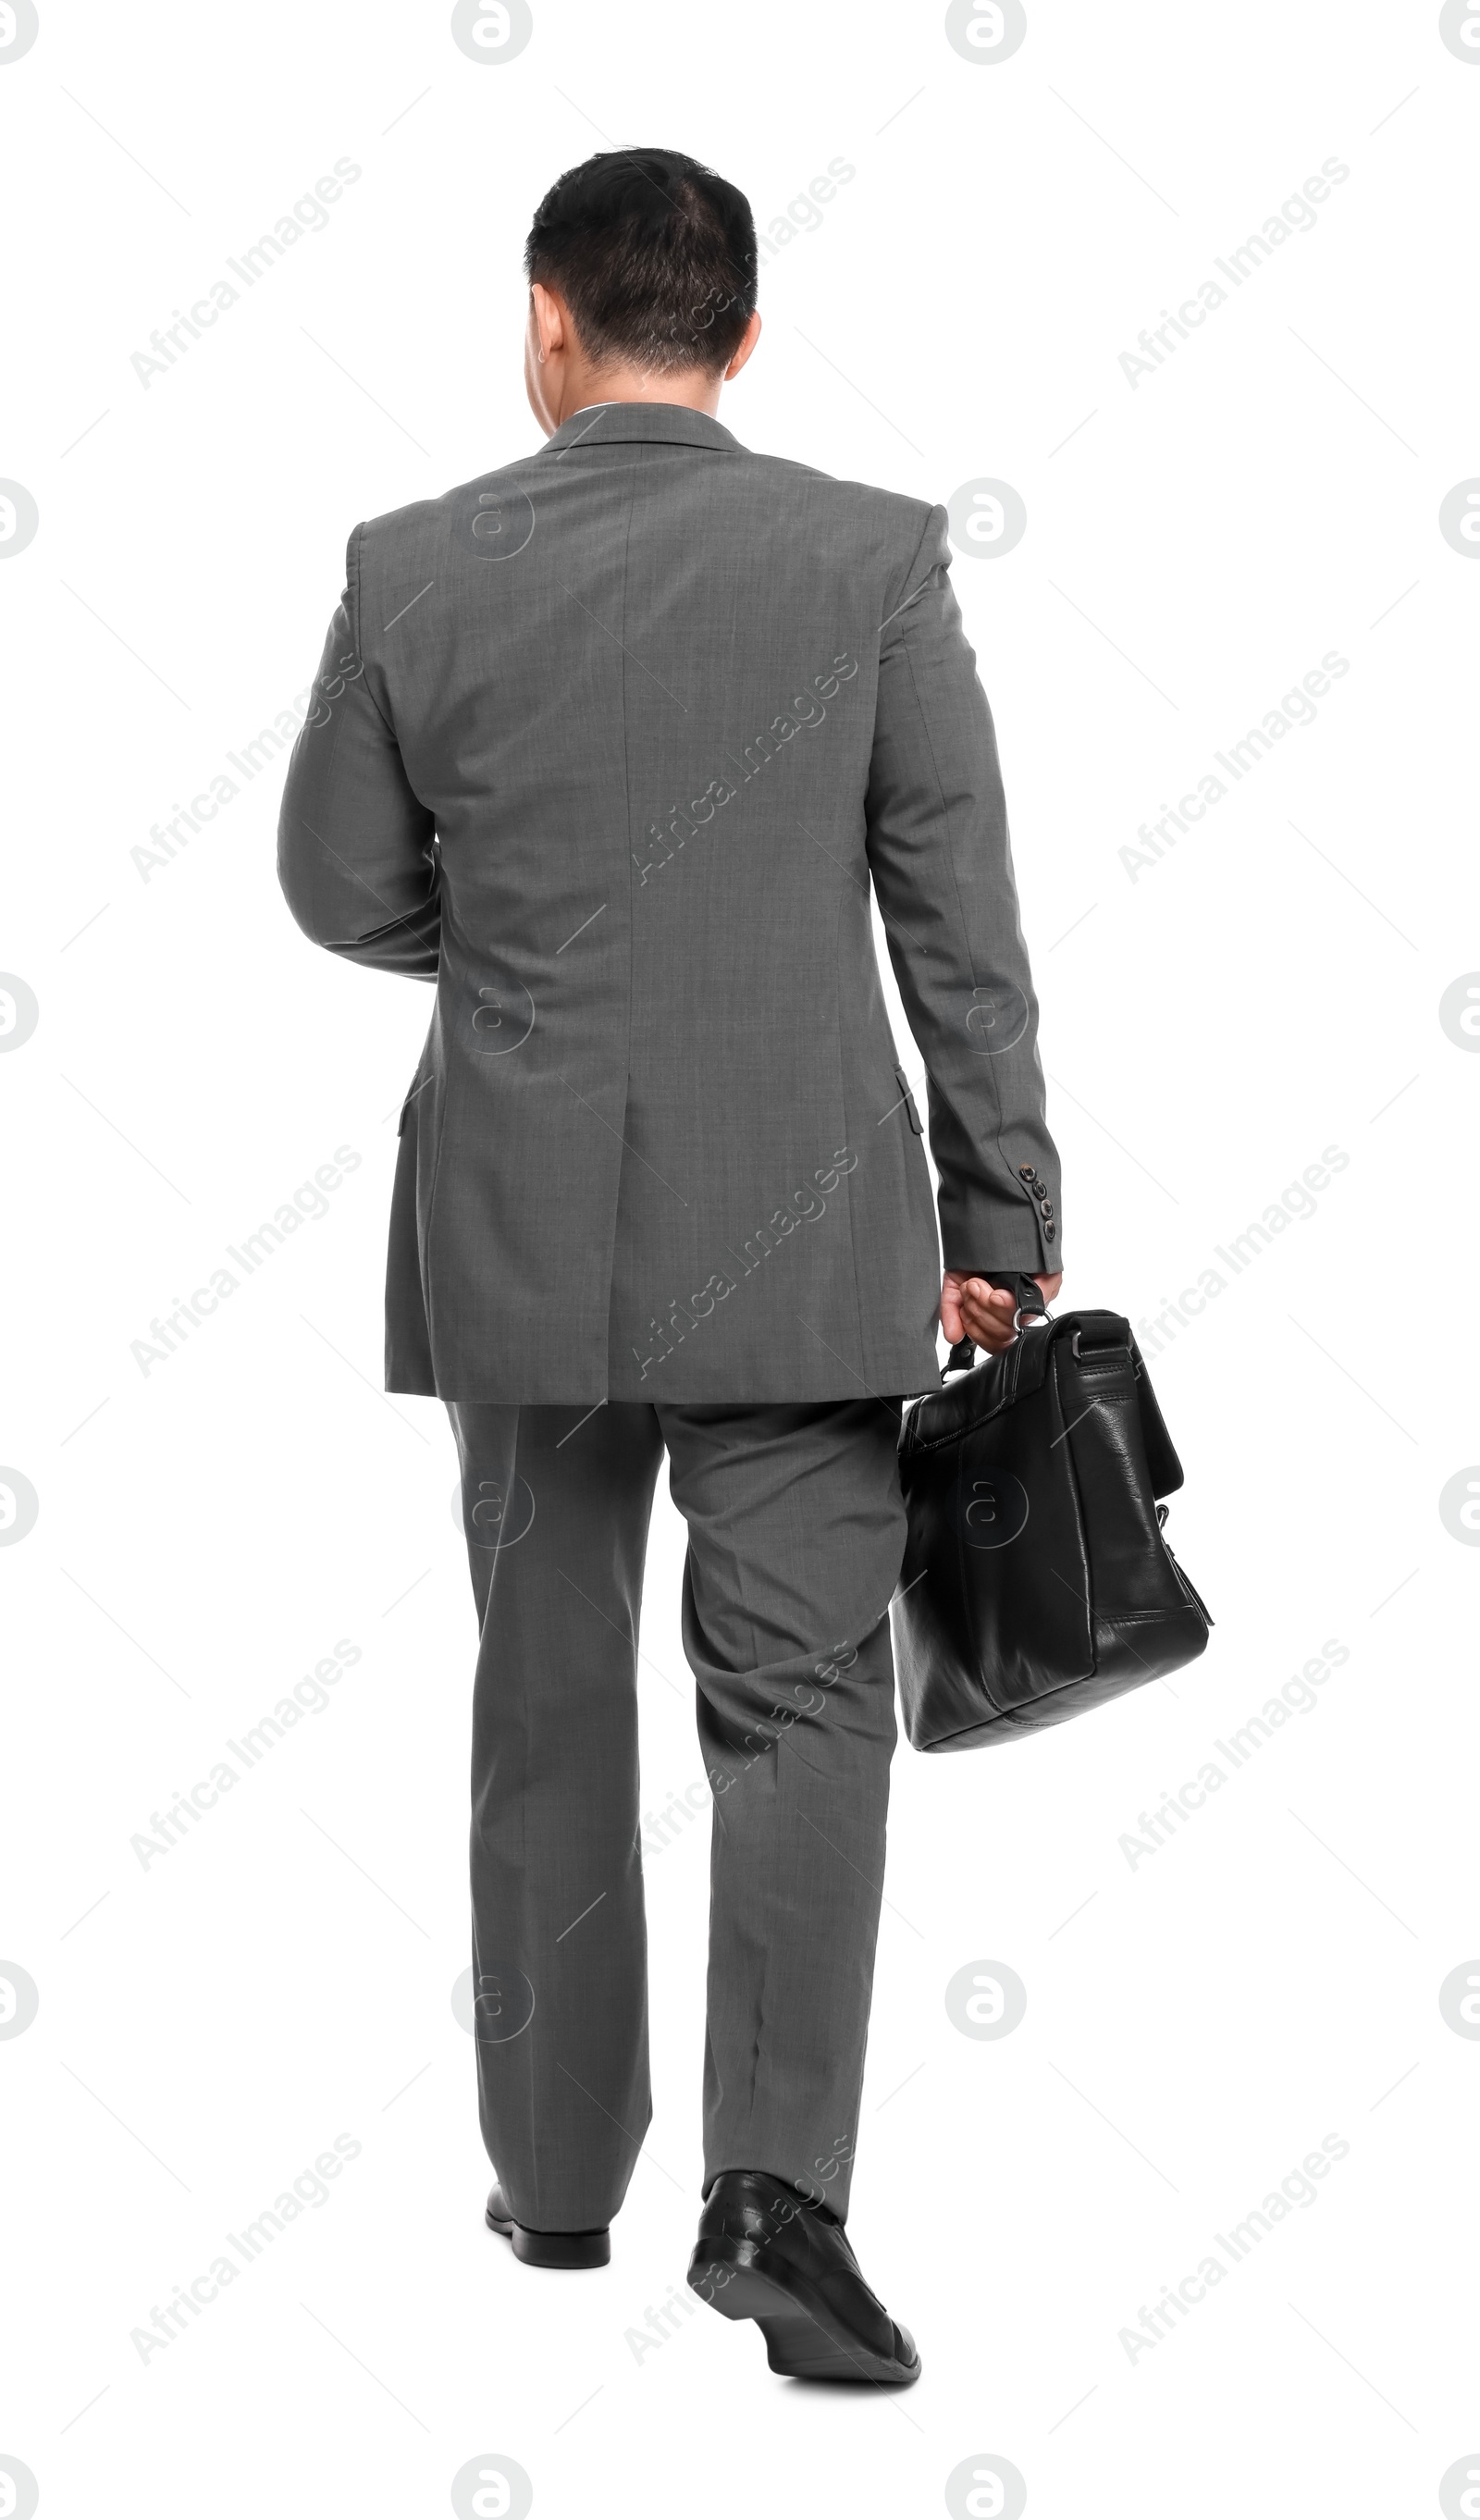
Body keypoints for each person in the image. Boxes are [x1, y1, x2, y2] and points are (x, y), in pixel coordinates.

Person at [278, 146, 1061, 2389]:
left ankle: (548, 2188)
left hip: (515, 1218)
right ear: (734, 335)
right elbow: (958, 930)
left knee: (541, 1689)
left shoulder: (411, 565)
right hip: (804, 1226)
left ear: (546, 321)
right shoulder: (869, 560)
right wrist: (1000, 1218)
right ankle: (773, 2205)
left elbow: (337, 887)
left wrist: (525, 948)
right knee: (800, 1702)